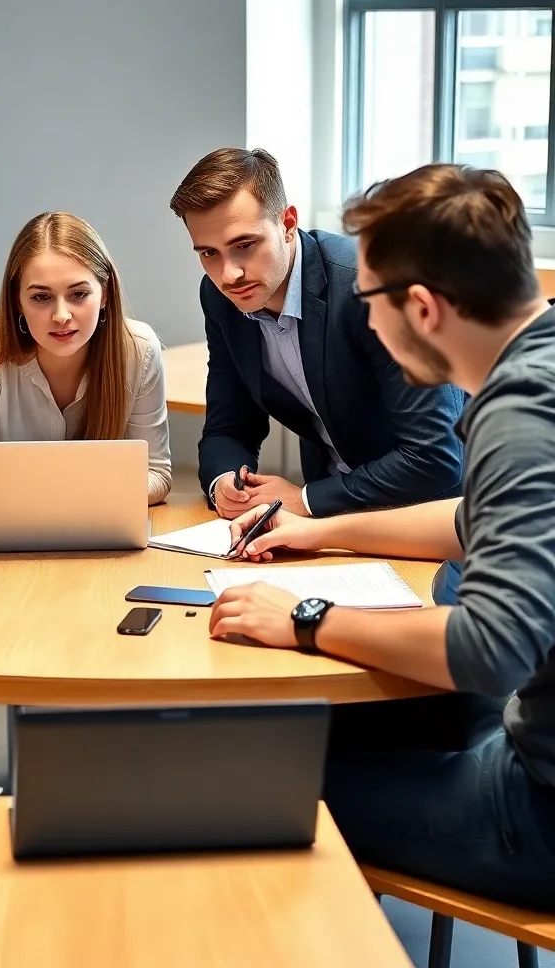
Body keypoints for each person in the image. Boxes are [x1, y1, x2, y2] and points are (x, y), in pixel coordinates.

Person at [209, 163, 555, 910]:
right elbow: (470, 519)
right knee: (334, 731)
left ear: (422, 308)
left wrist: (306, 618)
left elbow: (490, 649)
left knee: (238, 773)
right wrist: (318, 530)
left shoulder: (520, 416)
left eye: (369, 301)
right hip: (531, 742)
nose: (364, 323)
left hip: (535, 811)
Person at [169, 147, 464, 521]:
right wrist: (226, 483)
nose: (230, 275)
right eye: (209, 253)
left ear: (288, 224)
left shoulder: (375, 286)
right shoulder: (220, 297)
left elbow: (435, 456)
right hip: (328, 513)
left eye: (244, 245)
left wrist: (306, 500)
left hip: (436, 515)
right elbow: (230, 425)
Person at [0, 211, 172, 513]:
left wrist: (35, 495)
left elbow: (156, 475)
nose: (61, 316)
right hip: (14, 536)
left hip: (94, 533)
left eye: (79, 294)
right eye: (41, 297)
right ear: (17, 301)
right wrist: (83, 494)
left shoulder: (139, 350)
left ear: (105, 294)